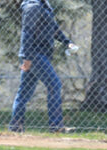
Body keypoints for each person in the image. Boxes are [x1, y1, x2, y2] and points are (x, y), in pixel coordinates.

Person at [8, 0, 77, 133]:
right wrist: (27, 58)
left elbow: (53, 28)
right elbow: (27, 32)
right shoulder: (33, 6)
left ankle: (16, 127)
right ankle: (56, 126)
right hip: (35, 54)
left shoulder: (42, 5)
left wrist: (67, 43)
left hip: (38, 54)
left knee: (24, 92)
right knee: (54, 84)